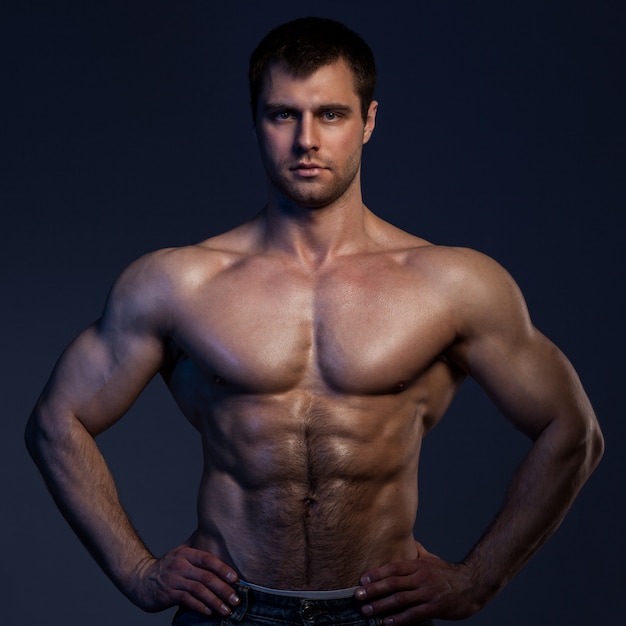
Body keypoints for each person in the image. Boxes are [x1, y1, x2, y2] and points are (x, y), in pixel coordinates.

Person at [26, 16, 603, 626]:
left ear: (369, 121)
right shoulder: (178, 283)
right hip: (230, 612)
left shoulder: (453, 284)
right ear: (257, 121)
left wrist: (477, 580)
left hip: (380, 613)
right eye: (283, 114)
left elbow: (573, 432)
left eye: (330, 114)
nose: (306, 139)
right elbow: (55, 423)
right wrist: (137, 571)